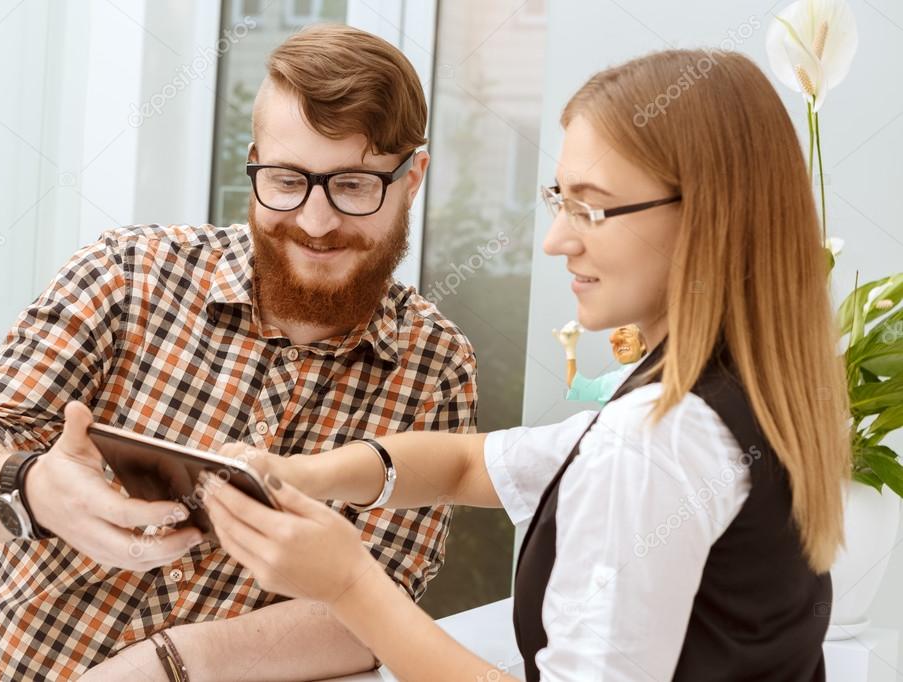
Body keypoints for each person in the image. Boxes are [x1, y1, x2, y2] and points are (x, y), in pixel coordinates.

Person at [202, 48, 850, 681]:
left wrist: (348, 583)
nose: (556, 239)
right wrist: (297, 475)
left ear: (705, 216)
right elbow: (465, 466)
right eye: (558, 199)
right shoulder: (749, 394)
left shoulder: (651, 442)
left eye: (589, 208)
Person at [0, 25, 477, 681]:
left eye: (352, 186)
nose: (316, 224)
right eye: (287, 180)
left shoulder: (432, 364)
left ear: (412, 178)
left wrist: (170, 663)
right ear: (254, 164)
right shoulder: (129, 273)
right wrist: (30, 490)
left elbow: (378, 606)